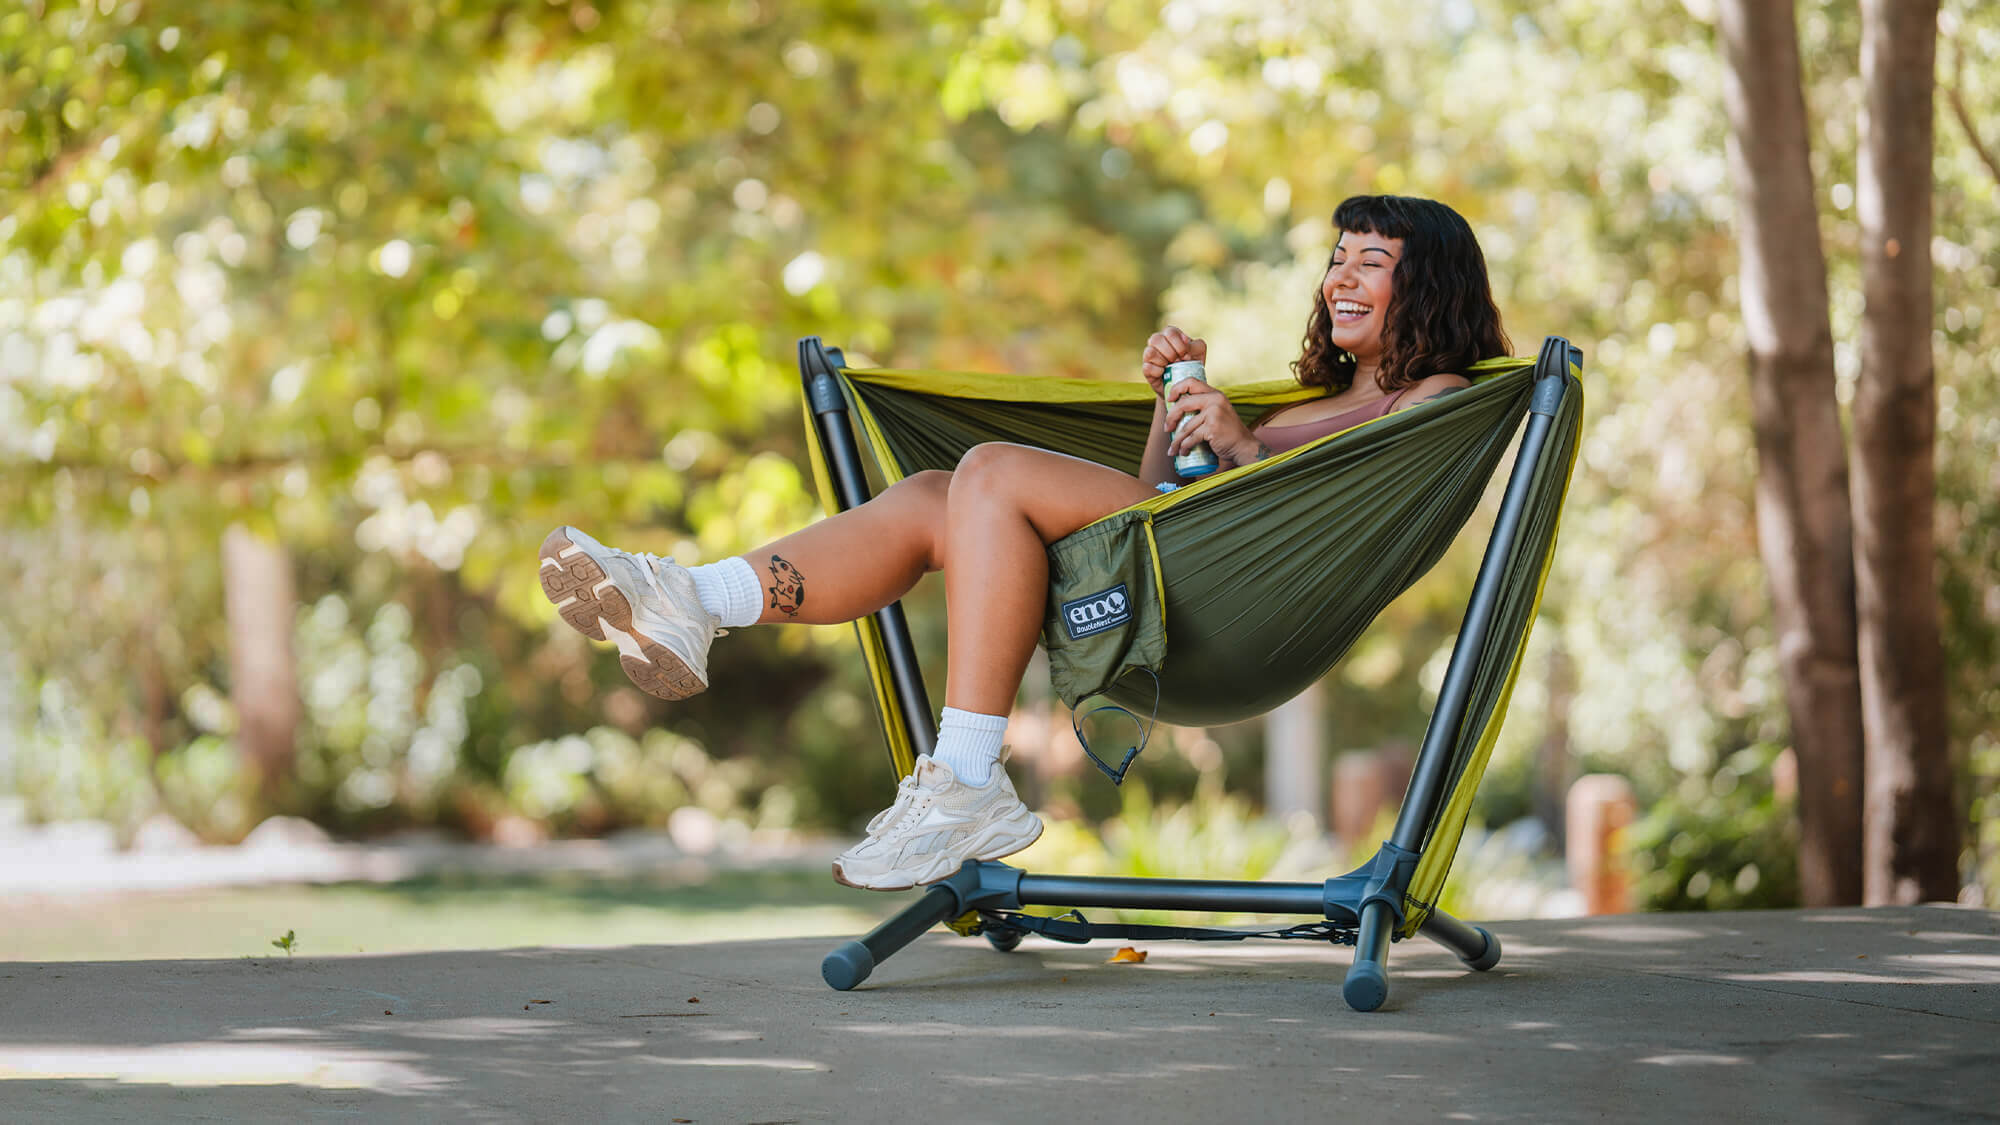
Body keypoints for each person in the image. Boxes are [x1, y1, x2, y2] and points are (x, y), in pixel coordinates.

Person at [536, 194, 1511, 891]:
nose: (1341, 277)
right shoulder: (1306, 403)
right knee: (932, 493)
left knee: (990, 472)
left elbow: (1313, 494)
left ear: (1425, 286)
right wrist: (1174, 407)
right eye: (1336, 259)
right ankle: (691, 599)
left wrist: (1243, 440)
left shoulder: (1436, 397)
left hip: (1225, 624)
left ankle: (965, 780)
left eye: (1369, 263)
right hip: (1155, 579)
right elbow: (1150, 500)